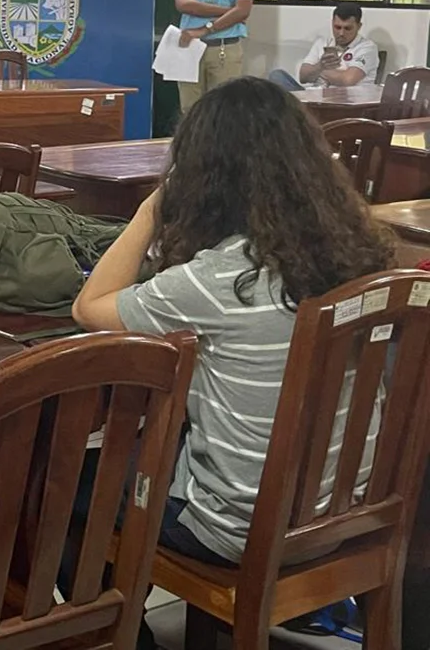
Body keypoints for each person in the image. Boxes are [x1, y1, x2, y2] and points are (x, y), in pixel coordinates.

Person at [72, 76, 392, 567]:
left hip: (237, 532)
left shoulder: (221, 278)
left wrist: (151, 208)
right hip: (346, 511)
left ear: (203, 174)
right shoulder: (359, 258)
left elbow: (89, 306)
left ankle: (131, 639)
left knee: (69, 482)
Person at [269, 2, 380, 90]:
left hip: (346, 100)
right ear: (332, 23)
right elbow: (303, 77)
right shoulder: (322, 42)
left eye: (347, 28)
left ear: (359, 26)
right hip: (314, 95)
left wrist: (318, 71)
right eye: (337, 27)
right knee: (277, 76)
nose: (341, 33)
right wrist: (320, 66)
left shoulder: (367, 47)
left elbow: (347, 80)